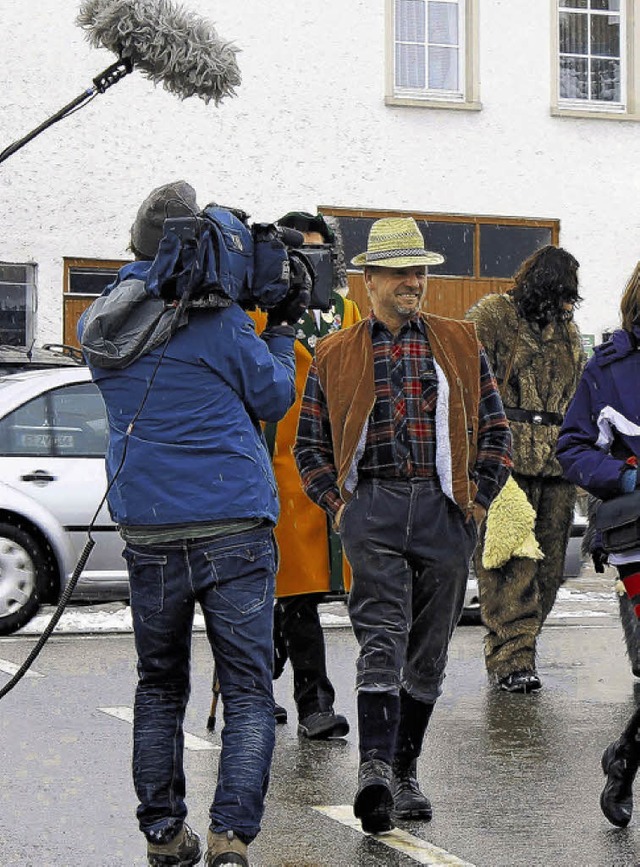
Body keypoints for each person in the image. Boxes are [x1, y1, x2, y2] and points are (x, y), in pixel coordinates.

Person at [78, 181, 306, 867]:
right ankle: (232, 836)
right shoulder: (218, 321)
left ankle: (164, 835)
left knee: (159, 684)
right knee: (246, 687)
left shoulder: (104, 327)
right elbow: (272, 393)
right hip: (233, 523)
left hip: (147, 528)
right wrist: (285, 330)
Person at [294, 217, 512, 834]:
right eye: (400, 271)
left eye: (420, 271)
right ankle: (374, 773)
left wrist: (477, 502)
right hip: (375, 509)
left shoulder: (461, 342)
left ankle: (405, 770)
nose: (414, 281)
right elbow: (312, 448)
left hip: (445, 511)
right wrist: (341, 508)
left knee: (429, 651)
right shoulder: (335, 353)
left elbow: (496, 432)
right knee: (381, 638)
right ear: (370, 279)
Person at [252, 211, 360, 739]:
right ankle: (308, 701)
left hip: (329, 470)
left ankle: (303, 695)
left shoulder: (347, 310)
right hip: (277, 465)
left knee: (303, 594)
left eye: (320, 252)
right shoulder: (259, 309)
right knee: (288, 592)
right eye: (303, 253)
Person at [465, 245, 584, 693]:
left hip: (556, 465)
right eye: (564, 294)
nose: (570, 305)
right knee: (510, 565)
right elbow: (465, 380)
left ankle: (521, 649)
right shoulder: (493, 317)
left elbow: (577, 393)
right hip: (505, 462)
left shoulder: (567, 332)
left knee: (549, 572)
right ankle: (511, 661)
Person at [557, 261, 640, 828]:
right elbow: (574, 447)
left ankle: (624, 756)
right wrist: (625, 477)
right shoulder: (609, 370)